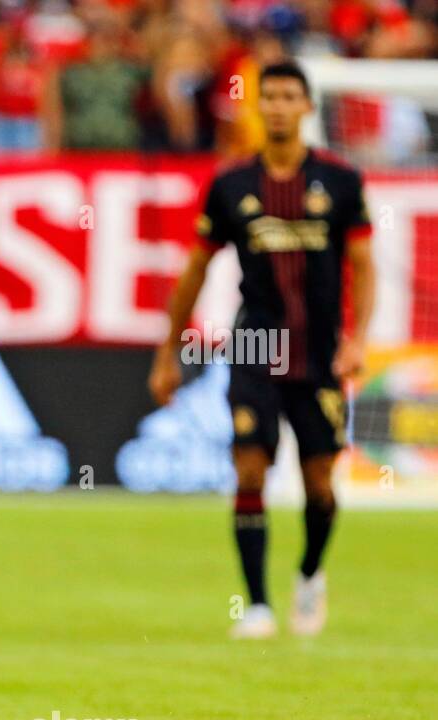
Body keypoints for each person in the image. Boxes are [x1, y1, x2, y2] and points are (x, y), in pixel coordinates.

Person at [149, 60, 376, 639]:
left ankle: (308, 572)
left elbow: (363, 266)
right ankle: (256, 605)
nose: (276, 105)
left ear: (306, 106)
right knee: (250, 470)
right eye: (267, 96)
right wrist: (167, 353)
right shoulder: (231, 185)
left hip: (321, 353)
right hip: (256, 345)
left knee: (321, 484)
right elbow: (195, 272)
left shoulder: (342, 181)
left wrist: (359, 339)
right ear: (257, 105)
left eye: (287, 96)